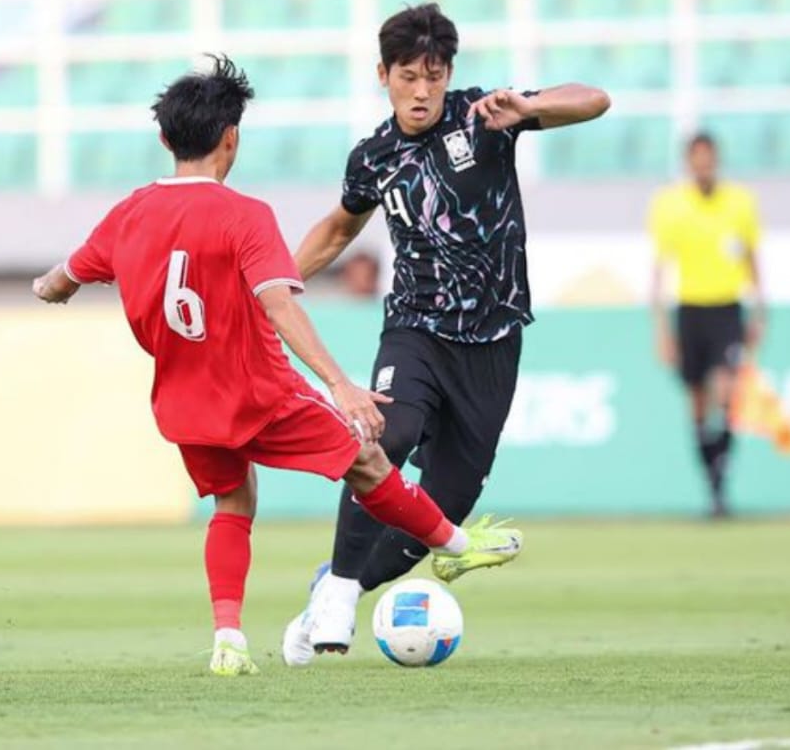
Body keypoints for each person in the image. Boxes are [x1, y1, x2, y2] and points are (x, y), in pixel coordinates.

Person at [31, 56, 523, 677]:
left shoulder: (128, 214)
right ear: (232, 138)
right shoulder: (244, 215)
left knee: (233, 506)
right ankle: (454, 544)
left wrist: (49, 286)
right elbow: (278, 304)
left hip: (184, 403)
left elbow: (63, 278)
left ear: (165, 140)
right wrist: (340, 384)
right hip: (259, 391)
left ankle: (229, 640)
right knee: (370, 462)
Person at [281, 4, 611, 665]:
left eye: (434, 75)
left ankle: (325, 589)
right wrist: (275, 282)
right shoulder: (372, 156)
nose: (423, 90)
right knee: (387, 433)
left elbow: (595, 99)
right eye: (409, 76)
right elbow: (339, 230)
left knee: (440, 512)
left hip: (493, 343)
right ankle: (342, 593)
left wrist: (526, 104)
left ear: (449, 73)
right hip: (415, 329)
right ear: (384, 75)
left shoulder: (484, 117)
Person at [648, 132, 766, 518]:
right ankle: (714, 483)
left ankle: (720, 474)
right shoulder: (670, 205)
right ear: (688, 163)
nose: (703, 165)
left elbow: (752, 259)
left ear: (716, 160)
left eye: (708, 158)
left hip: (727, 308)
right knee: (698, 402)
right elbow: (660, 269)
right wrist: (662, 329)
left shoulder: (740, 202)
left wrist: (760, 310)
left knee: (727, 390)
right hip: (690, 309)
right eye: (696, 159)